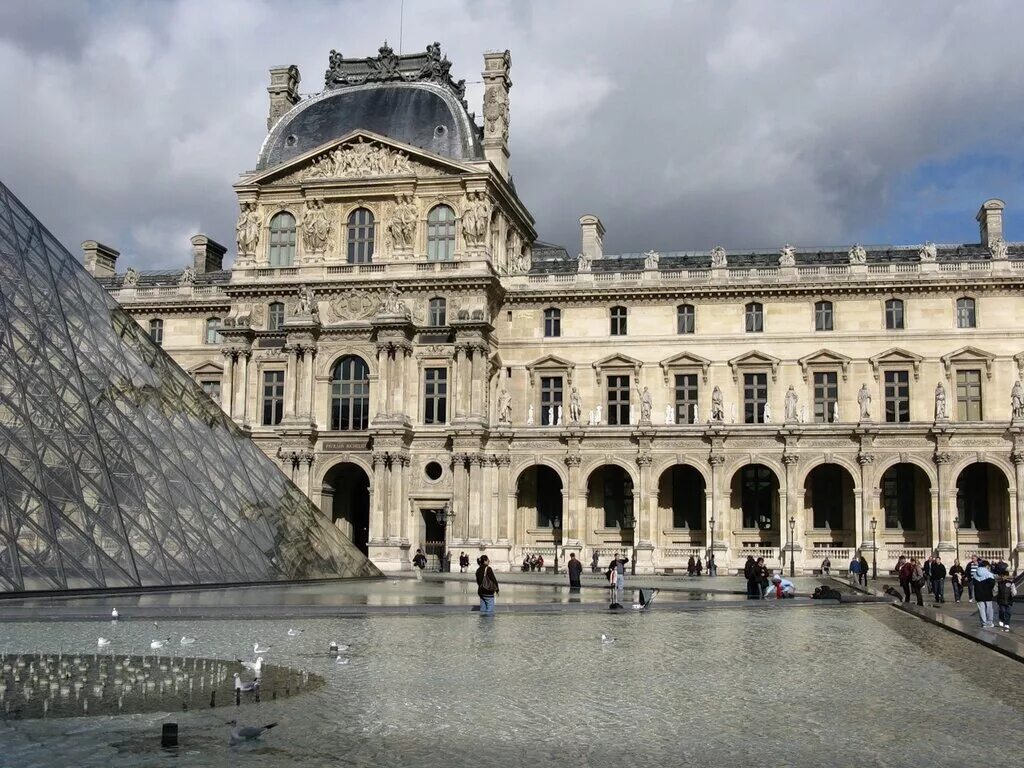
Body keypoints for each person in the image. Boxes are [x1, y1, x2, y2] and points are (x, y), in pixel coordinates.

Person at [973, 559, 997, 628]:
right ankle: (989, 622)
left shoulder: (975, 574)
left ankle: (984, 623)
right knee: (989, 609)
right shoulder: (989, 574)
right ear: (987, 566)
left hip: (978, 594)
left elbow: (974, 583)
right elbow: (992, 583)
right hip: (987, 594)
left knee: (981, 609)